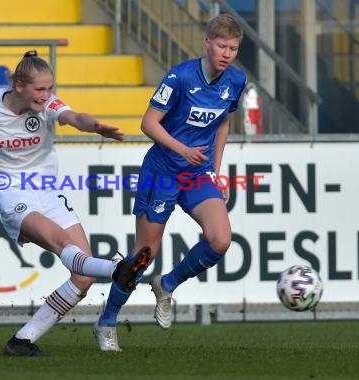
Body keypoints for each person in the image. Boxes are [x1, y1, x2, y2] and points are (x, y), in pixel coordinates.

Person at [0, 50, 151, 356]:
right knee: (61, 242)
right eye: (40, 89)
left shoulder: (48, 106)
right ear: (19, 86)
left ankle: (22, 341)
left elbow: (73, 117)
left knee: (83, 276)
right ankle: (118, 268)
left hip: (47, 191)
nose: (47, 96)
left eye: (50, 88)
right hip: (11, 193)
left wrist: (93, 125)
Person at [93, 13, 246, 351]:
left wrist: (216, 171)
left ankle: (168, 283)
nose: (226, 53)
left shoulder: (235, 81)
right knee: (144, 254)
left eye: (233, 48)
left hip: (195, 174)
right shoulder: (180, 77)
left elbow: (222, 125)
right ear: (207, 43)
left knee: (220, 239)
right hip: (161, 172)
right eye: (221, 46)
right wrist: (182, 149)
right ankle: (106, 322)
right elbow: (148, 123)